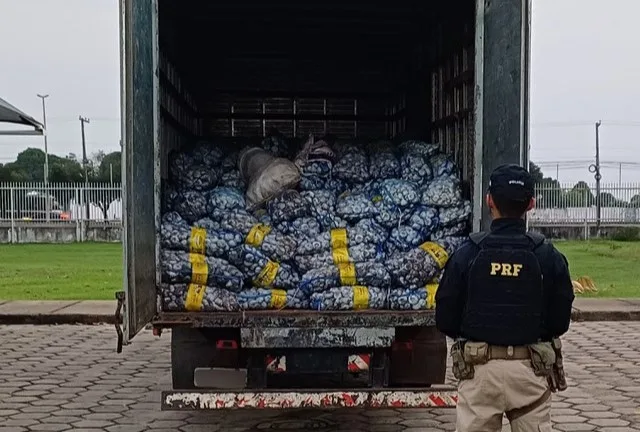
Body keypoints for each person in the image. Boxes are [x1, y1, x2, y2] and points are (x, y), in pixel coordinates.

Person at [435, 164, 575, 432]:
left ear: (489, 201)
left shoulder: (467, 252)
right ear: (531, 203)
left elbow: (445, 319)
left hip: (479, 373)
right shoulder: (548, 256)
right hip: (530, 374)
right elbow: (560, 322)